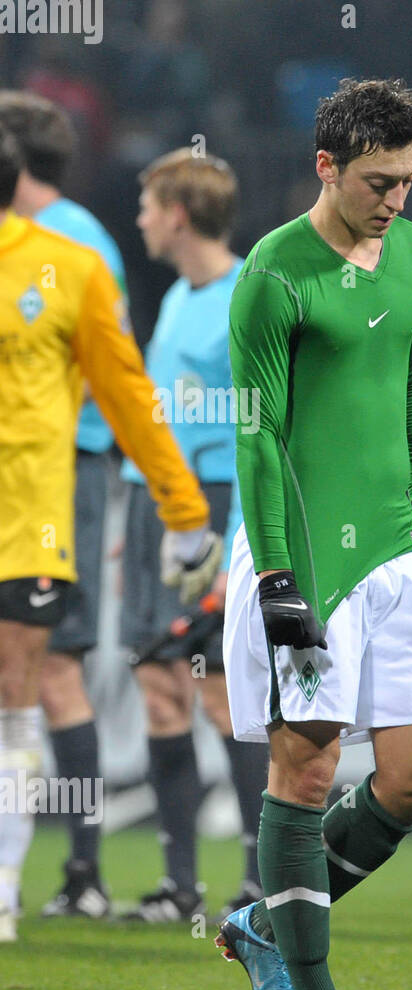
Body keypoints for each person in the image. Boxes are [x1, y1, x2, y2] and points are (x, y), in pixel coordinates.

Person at [214, 78, 412, 990]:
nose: (394, 200)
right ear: (325, 166)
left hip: (392, 548)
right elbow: (259, 440)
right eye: (376, 181)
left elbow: (410, 382)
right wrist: (276, 575)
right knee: (308, 761)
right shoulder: (273, 276)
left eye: (407, 180)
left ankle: (267, 922)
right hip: (306, 548)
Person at [0, 125, 220, 943]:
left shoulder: (69, 266)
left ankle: (6, 890)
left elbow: (129, 397)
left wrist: (184, 508)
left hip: (29, 520)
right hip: (38, 517)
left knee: (17, 694)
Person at [118, 148, 268, 924]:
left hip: (212, 509)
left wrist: (236, 547)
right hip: (155, 507)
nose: (141, 218)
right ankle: (180, 886)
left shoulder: (246, 294)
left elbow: (256, 434)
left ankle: (260, 879)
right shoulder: (178, 295)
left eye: (149, 206)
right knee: (158, 689)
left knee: (219, 693)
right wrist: (135, 520)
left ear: (178, 214)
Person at [0, 91, 127, 919]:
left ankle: (82, 870)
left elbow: (113, 367)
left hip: (64, 470)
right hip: (41, 470)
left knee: (58, 672)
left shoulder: (73, 241)